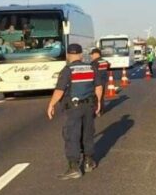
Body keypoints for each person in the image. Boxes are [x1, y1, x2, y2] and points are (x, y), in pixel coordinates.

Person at [46, 44, 103, 180]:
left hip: (74, 107)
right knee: (87, 132)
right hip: (89, 106)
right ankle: (89, 161)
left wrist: (51, 104)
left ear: (68, 56)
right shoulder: (91, 68)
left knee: (72, 135)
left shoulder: (67, 70)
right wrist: (99, 102)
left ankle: (74, 167)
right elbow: (98, 86)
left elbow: (59, 91)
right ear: (81, 55)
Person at [89, 48, 110, 114]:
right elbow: (108, 67)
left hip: (96, 82)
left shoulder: (94, 63)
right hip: (103, 81)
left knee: (96, 97)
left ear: (95, 54)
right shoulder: (105, 61)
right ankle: (101, 110)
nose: (91, 56)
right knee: (101, 96)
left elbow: (92, 72)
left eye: (92, 55)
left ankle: (97, 110)